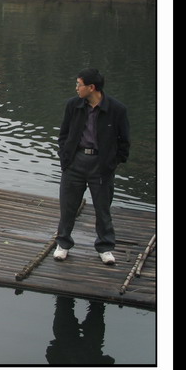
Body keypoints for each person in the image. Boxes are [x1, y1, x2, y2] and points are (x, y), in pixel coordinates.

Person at [54, 68, 130, 265]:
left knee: (102, 208)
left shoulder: (117, 109)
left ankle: (105, 247)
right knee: (68, 206)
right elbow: (64, 134)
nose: (76, 88)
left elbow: (124, 142)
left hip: (101, 165)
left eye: (79, 84)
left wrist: (112, 162)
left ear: (91, 87)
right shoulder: (73, 105)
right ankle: (63, 243)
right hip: (75, 162)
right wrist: (65, 157)